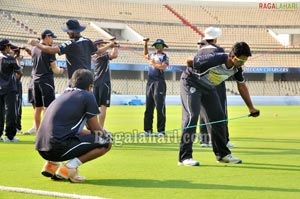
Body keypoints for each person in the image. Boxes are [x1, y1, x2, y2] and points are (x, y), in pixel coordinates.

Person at [178, 41, 260, 166]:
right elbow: (189, 61)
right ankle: (184, 157)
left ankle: (222, 155)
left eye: (244, 62)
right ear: (232, 56)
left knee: (218, 118)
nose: (241, 64)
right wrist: (196, 71)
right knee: (192, 116)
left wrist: (251, 108)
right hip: (191, 82)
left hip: (209, 87)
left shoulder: (236, 68)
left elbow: (241, 86)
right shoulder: (215, 59)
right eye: (240, 61)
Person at [35, 69, 112, 183]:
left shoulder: (64, 94)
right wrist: (106, 133)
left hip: (41, 147)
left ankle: (51, 165)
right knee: (106, 142)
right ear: (90, 86)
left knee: (73, 136)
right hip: (56, 148)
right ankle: (69, 168)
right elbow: (96, 130)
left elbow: (73, 129)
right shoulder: (87, 96)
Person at [27, 19, 117, 80]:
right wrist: (110, 45)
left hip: (76, 78)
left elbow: (51, 50)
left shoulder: (70, 43)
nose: (67, 33)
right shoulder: (87, 41)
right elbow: (98, 51)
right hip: (88, 76)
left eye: (68, 31)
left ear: (72, 32)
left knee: (74, 105)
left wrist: (36, 44)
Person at [197, 27, 235, 148]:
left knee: (203, 112)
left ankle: (204, 139)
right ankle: (224, 139)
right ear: (215, 39)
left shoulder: (200, 51)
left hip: (202, 84)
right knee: (221, 112)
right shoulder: (219, 50)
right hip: (217, 84)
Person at [31, 30, 64, 131]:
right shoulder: (49, 50)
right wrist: (62, 70)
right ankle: (46, 132)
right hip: (46, 80)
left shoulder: (34, 49)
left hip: (35, 80)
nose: (53, 40)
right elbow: (55, 69)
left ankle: (38, 132)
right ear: (47, 37)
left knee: (38, 108)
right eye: (52, 37)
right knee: (48, 108)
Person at [140, 38, 169, 136]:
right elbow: (145, 55)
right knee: (149, 106)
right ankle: (147, 130)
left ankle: (161, 131)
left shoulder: (165, 57)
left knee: (160, 107)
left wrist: (153, 63)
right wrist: (145, 44)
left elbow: (163, 67)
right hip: (150, 82)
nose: (158, 47)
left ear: (163, 47)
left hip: (159, 82)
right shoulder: (152, 55)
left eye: (160, 45)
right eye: (157, 45)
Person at [92, 39, 118, 130]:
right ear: (98, 45)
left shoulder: (94, 56)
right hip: (104, 82)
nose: (104, 47)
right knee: (103, 107)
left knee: (94, 108)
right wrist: (115, 46)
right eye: (102, 45)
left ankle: (94, 128)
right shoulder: (101, 55)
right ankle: (101, 128)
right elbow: (114, 55)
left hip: (96, 82)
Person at [0, 39, 22, 142]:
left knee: (0, 112)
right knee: (11, 112)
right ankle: (9, 136)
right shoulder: (10, 59)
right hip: (9, 88)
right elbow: (19, 71)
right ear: (6, 47)